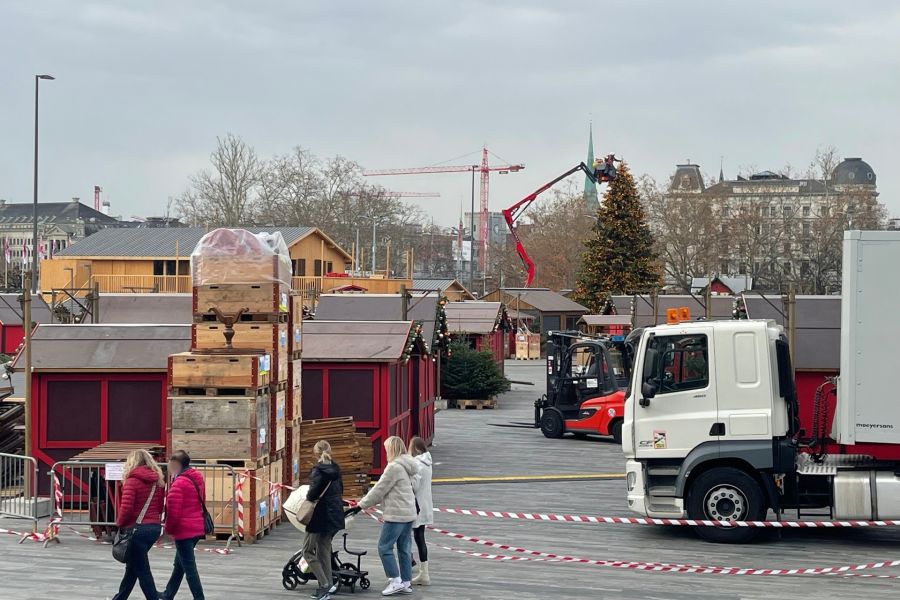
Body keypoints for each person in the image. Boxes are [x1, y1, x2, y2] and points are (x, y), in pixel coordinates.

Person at [347, 436, 420, 596]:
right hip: (409, 513)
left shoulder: (394, 467)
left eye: (386, 449)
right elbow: (415, 486)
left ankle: (395, 580)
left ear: (392, 449)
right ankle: (406, 582)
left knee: (384, 547)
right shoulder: (409, 466)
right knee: (404, 548)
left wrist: (360, 506)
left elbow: (379, 490)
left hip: (396, 514)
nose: (385, 452)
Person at [111, 449, 165, 600]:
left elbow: (126, 509)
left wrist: (119, 523)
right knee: (133, 568)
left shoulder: (132, 481)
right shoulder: (157, 481)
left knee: (142, 570)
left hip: (136, 530)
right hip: (153, 528)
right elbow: (159, 507)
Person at [159, 450, 205, 600]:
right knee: (179, 564)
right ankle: (168, 593)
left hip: (184, 531)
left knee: (189, 568)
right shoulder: (197, 477)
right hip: (197, 526)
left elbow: (173, 513)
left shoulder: (178, 484)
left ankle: (199, 597)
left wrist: (168, 531)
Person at [303, 440, 345, 600]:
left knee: (307, 551)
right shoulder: (336, 469)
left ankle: (324, 584)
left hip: (319, 516)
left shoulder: (318, 471)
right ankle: (329, 584)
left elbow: (312, 494)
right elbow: (341, 490)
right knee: (324, 549)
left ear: (316, 453)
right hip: (335, 515)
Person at [409, 437, 433, 586]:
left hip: (416, 505)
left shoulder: (417, 465)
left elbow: (414, 486)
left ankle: (409, 563)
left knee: (407, 536)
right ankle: (424, 572)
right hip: (425, 504)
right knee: (420, 538)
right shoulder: (428, 463)